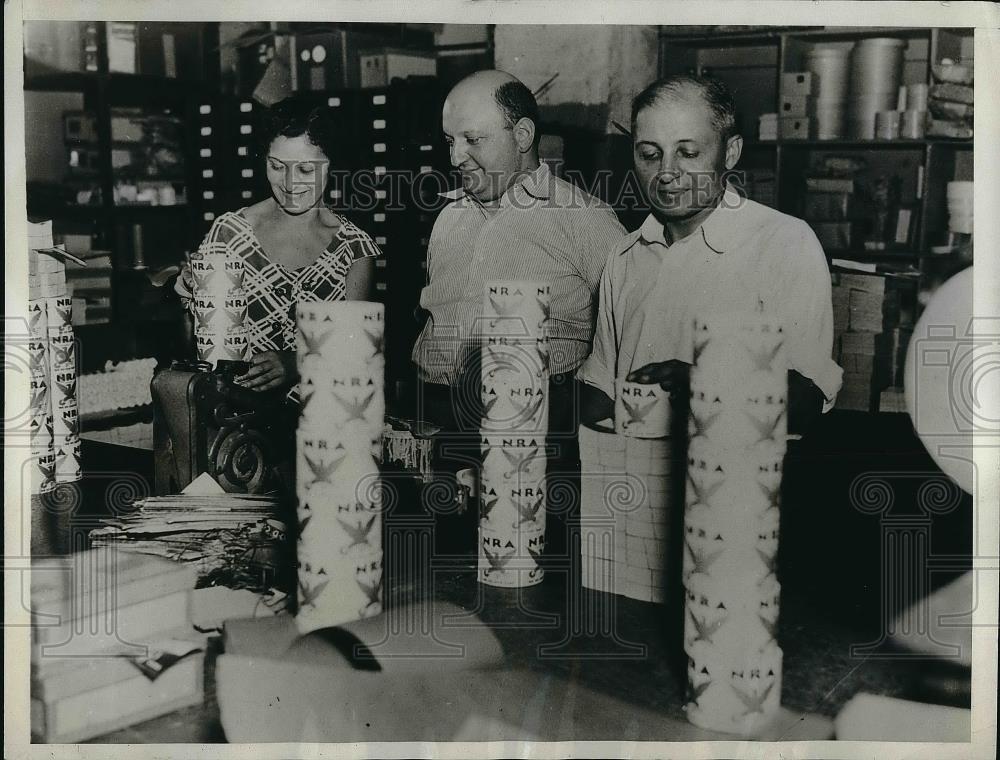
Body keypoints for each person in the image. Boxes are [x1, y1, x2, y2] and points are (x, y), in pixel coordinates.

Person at [411, 70, 626, 557]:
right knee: (440, 574)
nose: (455, 156)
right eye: (449, 140)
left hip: (531, 433)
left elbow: (633, 319)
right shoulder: (450, 216)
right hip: (439, 424)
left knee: (521, 574)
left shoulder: (581, 218)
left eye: (473, 140)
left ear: (523, 135)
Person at [579, 73, 843, 428]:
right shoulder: (625, 255)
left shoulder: (784, 243)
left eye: (688, 152)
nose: (666, 172)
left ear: (730, 152)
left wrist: (704, 382)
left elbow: (807, 400)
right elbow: (603, 390)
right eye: (649, 154)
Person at [176, 95, 379, 395]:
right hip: (234, 421)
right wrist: (188, 298)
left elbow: (355, 357)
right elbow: (195, 349)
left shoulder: (354, 249)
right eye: (276, 166)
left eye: (306, 170)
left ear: (332, 165)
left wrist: (299, 362)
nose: (289, 182)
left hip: (321, 425)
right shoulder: (230, 232)